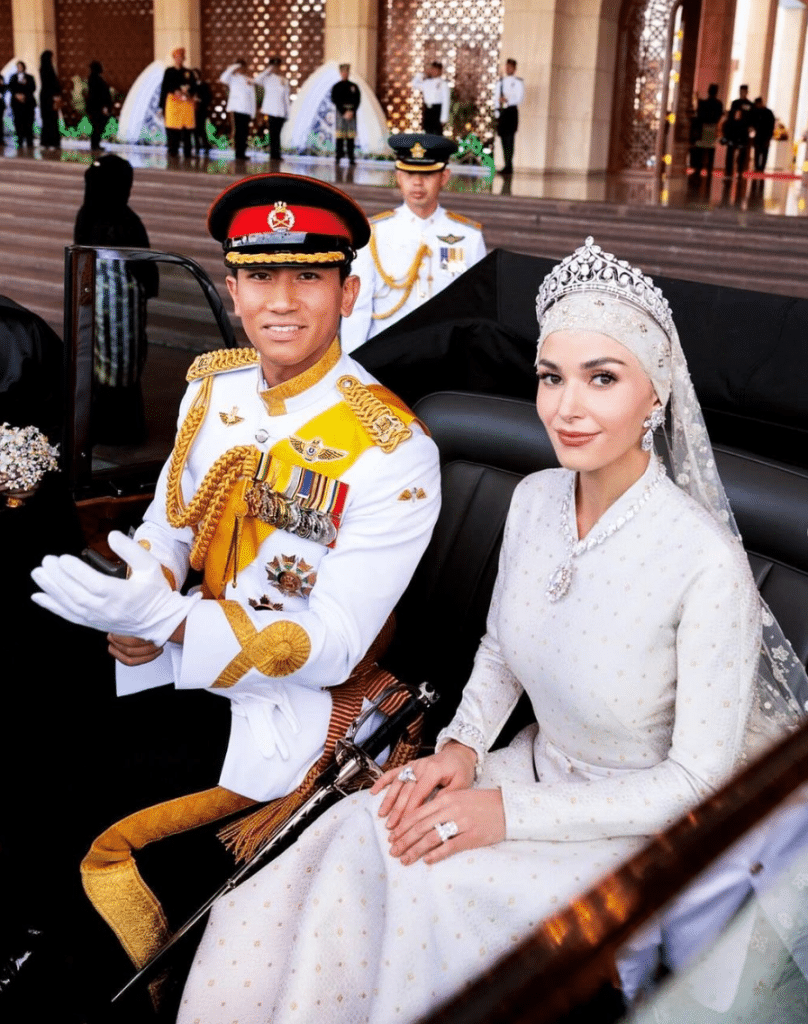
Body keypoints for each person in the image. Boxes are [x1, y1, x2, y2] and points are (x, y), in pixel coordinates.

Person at [174, 236, 806, 1024]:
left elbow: (697, 786)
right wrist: (462, 750)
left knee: (429, 880)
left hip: (639, 834)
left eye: (602, 379)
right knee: (350, 833)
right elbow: (503, 649)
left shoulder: (706, 564)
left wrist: (501, 814)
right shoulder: (538, 497)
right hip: (527, 771)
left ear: (657, 395)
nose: (566, 407)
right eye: (551, 377)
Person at [31, 172, 441, 978]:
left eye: (308, 276)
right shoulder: (211, 388)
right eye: (259, 275)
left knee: (83, 803)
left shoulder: (392, 450)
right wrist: (136, 598)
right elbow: (168, 525)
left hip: (284, 708)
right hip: (175, 656)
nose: (280, 300)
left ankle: (108, 989)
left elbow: (331, 643)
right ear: (231, 287)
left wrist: (167, 621)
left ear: (349, 289)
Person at [342, 132, 487, 351]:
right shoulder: (375, 233)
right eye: (410, 174)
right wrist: (353, 364)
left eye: (427, 175)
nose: (417, 183)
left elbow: (476, 309)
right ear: (399, 177)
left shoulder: (468, 237)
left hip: (445, 353)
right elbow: (358, 306)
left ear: (444, 177)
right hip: (387, 354)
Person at [73, 154, 159, 445]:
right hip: (120, 303)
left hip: (101, 304)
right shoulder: (123, 220)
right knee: (120, 363)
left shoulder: (88, 214)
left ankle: (104, 426)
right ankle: (121, 431)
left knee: (108, 363)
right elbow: (143, 266)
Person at [159, 47, 196, 158]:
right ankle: (172, 151)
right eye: (177, 57)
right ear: (174, 58)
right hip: (173, 103)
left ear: (184, 59)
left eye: (181, 57)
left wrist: (187, 93)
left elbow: (194, 87)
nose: (179, 59)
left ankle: (187, 152)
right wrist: (162, 106)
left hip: (186, 103)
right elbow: (165, 87)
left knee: (186, 129)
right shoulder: (169, 71)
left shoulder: (188, 72)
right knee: (172, 129)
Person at [219, 58, 256, 161]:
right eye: (239, 67)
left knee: (244, 132)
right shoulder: (232, 78)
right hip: (236, 109)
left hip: (247, 109)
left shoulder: (248, 79)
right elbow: (223, 78)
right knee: (238, 132)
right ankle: (238, 153)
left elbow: (252, 97)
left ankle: (242, 153)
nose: (241, 69)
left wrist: (253, 112)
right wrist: (234, 67)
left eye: (242, 67)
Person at [255, 56, 290, 162]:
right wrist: (268, 70)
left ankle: (277, 154)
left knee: (278, 134)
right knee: (273, 133)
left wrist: (288, 113)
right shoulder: (267, 79)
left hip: (281, 111)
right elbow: (257, 80)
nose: (276, 68)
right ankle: (273, 154)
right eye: (274, 66)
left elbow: (286, 98)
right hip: (271, 110)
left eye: (277, 66)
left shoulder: (284, 79)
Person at [495, 58, 524, 175]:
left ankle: (509, 165)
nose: (508, 69)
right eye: (507, 66)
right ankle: (505, 164)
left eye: (510, 67)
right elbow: (496, 97)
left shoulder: (518, 82)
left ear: (515, 69)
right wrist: (497, 111)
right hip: (502, 112)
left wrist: (507, 100)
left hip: (511, 111)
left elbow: (520, 98)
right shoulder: (500, 81)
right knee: (503, 139)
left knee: (510, 139)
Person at [690, 83, 723, 178]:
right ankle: (709, 170)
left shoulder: (704, 103)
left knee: (700, 151)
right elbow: (719, 116)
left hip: (703, 128)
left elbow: (699, 114)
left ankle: (698, 170)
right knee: (710, 151)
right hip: (711, 128)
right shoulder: (718, 104)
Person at [330, 62, 360, 165]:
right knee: (340, 136)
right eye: (343, 72)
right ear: (340, 73)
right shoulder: (336, 87)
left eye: (346, 72)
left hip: (352, 113)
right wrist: (344, 112)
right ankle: (338, 156)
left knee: (350, 137)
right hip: (341, 113)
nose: (345, 73)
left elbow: (357, 100)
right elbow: (335, 99)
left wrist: (352, 111)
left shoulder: (354, 86)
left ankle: (351, 157)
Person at [411, 61, 451, 135]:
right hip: (428, 110)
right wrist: (422, 74)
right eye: (432, 69)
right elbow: (414, 84)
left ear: (440, 71)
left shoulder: (443, 83)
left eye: (436, 70)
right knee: (427, 132)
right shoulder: (427, 82)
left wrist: (444, 118)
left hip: (437, 110)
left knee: (437, 133)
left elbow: (446, 101)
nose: (434, 71)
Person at [723, 83, 753, 178]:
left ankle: (740, 171)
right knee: (730, 151)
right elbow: (731, 117)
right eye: (741, 91)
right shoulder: (735, 103)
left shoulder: (750, 105)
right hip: (734, 131)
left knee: (742, 153)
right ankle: (729, 171)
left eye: (744, 91)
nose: (742, 93)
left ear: (747, 92)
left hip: (743, 131)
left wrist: (750, 127)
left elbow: (752, 119)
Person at [85, 60, 111, 153]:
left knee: (97, 126)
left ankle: (95, 144)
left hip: (95, 107)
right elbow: (100, 94)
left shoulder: (93, 78)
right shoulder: (96, 79)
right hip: (97, 107)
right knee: (98, 126)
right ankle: (95, 144)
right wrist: (104, 106)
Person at [9, 60, 36, 149]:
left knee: (28, 122)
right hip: (17, 104)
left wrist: (24, 94)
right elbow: (11, 88)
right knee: (18, 122)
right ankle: (19, 140)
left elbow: (33, 88)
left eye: (21, 66)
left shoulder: (29, 77)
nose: (19, 68)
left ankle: (29, 141)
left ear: (24, 67)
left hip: (27, 103)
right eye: (18, 66)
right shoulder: (13, 77)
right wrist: (17, 95)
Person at [38, 50, 61, 151]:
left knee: (47, 120)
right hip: (50, 97)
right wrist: (56, 95)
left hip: (45, 97)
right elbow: (52, 84)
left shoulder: (43, 68)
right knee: (51, 120)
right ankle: (52, 142)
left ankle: (46, 142)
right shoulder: (48, 69)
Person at [751, 96, 775, 173]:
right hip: (759, 135)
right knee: (757, 152)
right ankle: (757, 167)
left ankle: (762, 168)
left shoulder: (768, 113)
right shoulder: (756, 112)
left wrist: (770, 136)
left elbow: (771, 125)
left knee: (764, 152)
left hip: (765, 135)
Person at [191, 68, 212, 155]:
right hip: (193, 110)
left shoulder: (204, 85)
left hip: (202, 109)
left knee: (202, 128)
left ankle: (206, 145)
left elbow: (208, 97)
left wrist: (199, 99)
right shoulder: (191, 86)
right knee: (194, 129)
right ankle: (197, 146)